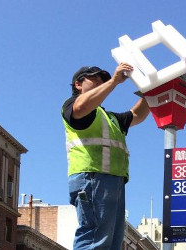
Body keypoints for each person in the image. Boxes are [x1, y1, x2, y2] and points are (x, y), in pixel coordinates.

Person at [62, 63, 150, 249]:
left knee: (110, 242)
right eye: (94, 78)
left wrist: (148, 92)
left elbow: (137, 115)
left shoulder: (109, 118)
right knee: (95, 238)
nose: (100, 82)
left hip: (113, 181)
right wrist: (114, 81)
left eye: (103, 79)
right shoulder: (73, 105)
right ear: (78, 84)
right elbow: (80, 107)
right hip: (92, 177)